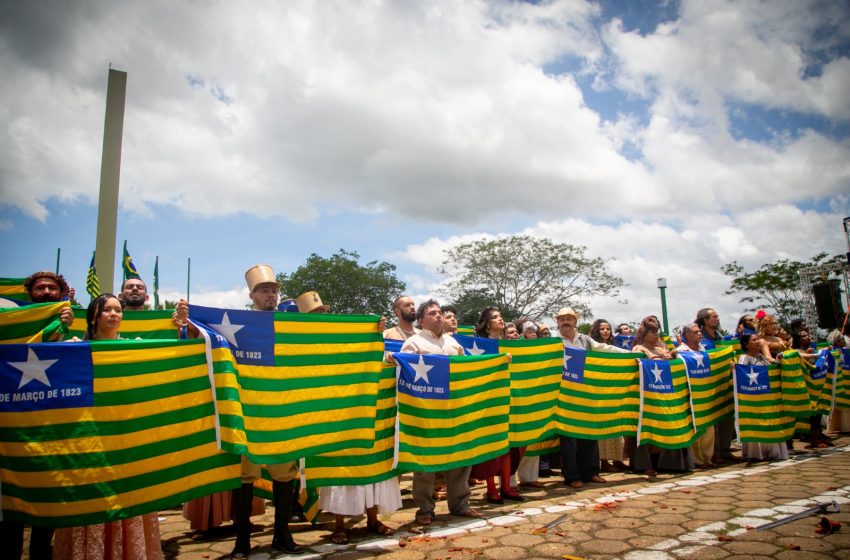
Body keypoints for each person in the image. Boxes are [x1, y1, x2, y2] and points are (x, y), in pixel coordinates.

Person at [174, 265, 304, 558]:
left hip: (282, 413)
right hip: (248, 412)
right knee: (244, 477)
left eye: (274, 290)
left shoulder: (291, 325)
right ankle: (242, 539)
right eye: (264, 290)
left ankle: (282, 535)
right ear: (252, 295)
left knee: (286, 476)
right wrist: (186, 321)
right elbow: (204, 340)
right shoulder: (234, 323)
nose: (270, 295)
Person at [52, 294, 163, 560]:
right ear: (94, 316)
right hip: (91, 439)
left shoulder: (133, 348)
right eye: (107, 310)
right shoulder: (77, 348)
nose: (114, 314)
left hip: (125, 437)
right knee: (95, 494)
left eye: (118, 310)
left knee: (127, 495)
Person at [299, 291, 401, 545]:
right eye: (314, 315)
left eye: (322, 313)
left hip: (360, 403)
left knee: (369, 461)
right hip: (330, 413)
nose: (320, 317)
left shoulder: (342, 337)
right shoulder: (299, 343)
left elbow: (366, 357)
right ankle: (339, 525)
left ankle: (373, 519)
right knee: (338, 467)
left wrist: (374, 333)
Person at [0, 271, 78, 559]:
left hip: (50, 425)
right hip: (14, 425)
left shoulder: (68, 323)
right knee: (12, 501)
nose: (46, 292)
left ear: (61, 293)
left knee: (47, 499)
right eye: (40, 287)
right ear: (29, 292)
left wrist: (64, 327)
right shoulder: (10, 323)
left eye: (51, 288)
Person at [401, 299, 482, 525]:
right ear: (421, 320)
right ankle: (425, 509)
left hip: (454, 410)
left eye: (440, 313)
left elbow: (469, 371)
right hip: (425, 413)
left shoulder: (454, 344)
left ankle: (460, 505)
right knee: (425, 464)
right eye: (433, 313)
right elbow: (402, 373)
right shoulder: (413, 343)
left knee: (460, 458)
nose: (438, 316)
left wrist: (498, 363)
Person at [555, 307, 626, 488]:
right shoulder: (552, 341)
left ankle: (591, 472)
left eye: (569, 318)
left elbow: (605, 349)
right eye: (562, 318)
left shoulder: (585, 340)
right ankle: (572, 476)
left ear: (575, 322)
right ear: (557, 322)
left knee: (588, 432)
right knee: (569, 437)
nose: (565, 322)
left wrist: (631, 354)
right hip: (563, 395)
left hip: (585, 393)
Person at [470, 307, 524, 504]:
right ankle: (491, 489)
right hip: (488, 400)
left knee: (508, 445)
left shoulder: (511, 345)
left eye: (500, 316)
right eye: (494, 317)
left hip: (508, 399)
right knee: (491, 445)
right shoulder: (478, 345)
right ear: (486, 324)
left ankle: (507, 486)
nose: (499, 319)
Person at [738, 334, 789, 462]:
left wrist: (779, 360)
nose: (757, 342)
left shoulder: (763, 358)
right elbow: (741, 373)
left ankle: (773, 450)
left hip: (768, 397)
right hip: (754, 399)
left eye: (758, 340)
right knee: (757, 422)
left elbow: (772, 370)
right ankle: (756, 452)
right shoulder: (744, 358)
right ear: (746, 344)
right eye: (754, 340)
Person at [589, 319, 627, 473]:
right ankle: (603, 461)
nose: (605, 331)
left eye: (608, 329)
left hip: (613, 392)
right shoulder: (591, 346)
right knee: (602, 429)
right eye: (602, 329)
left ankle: (617, 459)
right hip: (598, 392)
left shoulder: (615, 348)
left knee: (616, 426)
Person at [676, 323, 715, 468]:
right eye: (695, 332)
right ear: (686, 335)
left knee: (708, 428)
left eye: (699, 331)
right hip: (690, 394)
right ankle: (697, 459)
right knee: (693, 426)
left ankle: (707, 458)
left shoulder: (704, 351)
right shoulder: (680, 352)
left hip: (704, 394)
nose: (699, 334)